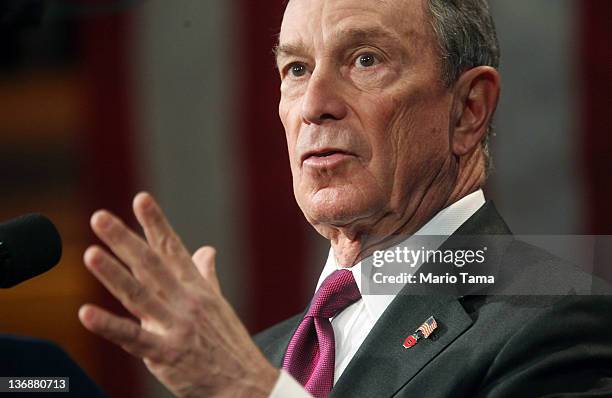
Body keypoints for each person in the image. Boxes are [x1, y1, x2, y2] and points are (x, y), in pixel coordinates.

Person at [78, 0, 612, 397]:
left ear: (468, 110)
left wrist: (253, 392)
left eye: (364, 60)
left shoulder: (556, 316)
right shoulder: (266, 357)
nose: (314, 105)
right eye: (297, 69)